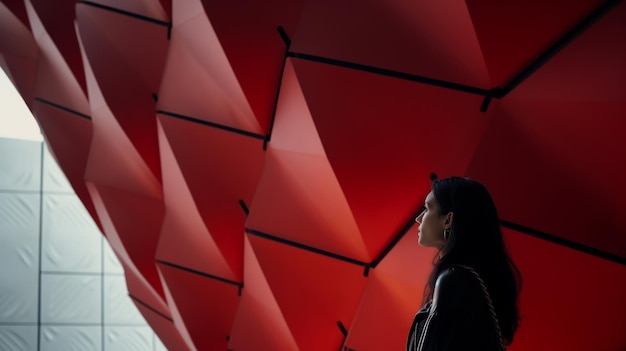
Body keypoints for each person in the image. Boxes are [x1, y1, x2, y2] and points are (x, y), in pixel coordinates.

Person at [406, 176, 521, 351]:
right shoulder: (469, 280)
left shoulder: (453, 279)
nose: (419, 218)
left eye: (427, 208)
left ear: (447, 220)